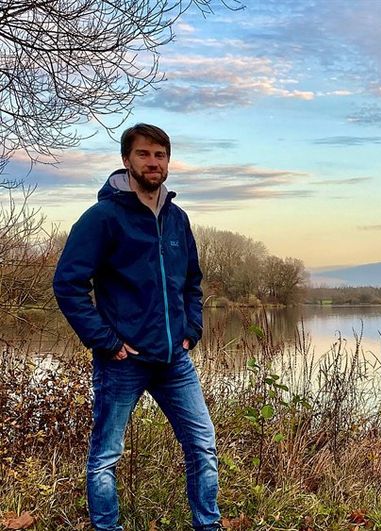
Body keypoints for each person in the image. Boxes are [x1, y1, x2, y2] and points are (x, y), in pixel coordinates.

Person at [53, 124, 220, 530]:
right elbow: (68, 283)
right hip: (122, 360)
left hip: (173, 360)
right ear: (127, 160)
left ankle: (208, 524)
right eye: (144, 154)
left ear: (168, 162)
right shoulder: (103, 218)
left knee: (203, 447)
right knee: (106, 457)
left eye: (160, 155)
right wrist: (106, 341)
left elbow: (192, 283)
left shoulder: (177, 219)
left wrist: (191, 329)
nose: (153, 162)